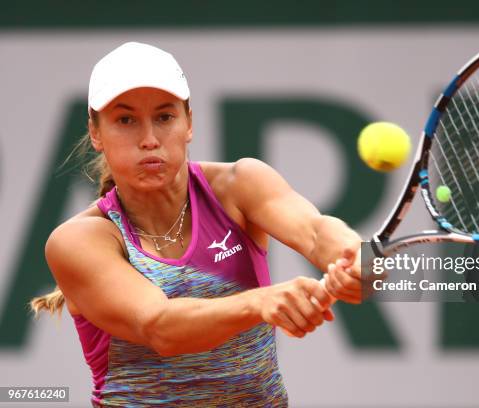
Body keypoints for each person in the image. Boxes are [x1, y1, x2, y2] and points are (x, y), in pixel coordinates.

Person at [30, 42, 362, 407]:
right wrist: (261, 302)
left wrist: (354, 255)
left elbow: (316, 232)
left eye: (165, 117)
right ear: (96, 133)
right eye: (126, 120)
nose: (149, 139)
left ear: (189, 123)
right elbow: (159, 327)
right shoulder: (78, 240)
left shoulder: (240, 185)